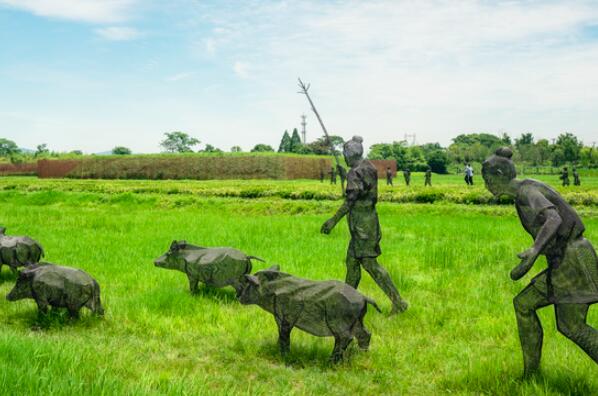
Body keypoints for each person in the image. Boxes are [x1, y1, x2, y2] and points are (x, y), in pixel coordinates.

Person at [482, 147, 598, 377]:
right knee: (524, 305)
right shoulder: (524, 191)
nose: (485, 184)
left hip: (573, 259)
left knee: (572, 326)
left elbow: (553, 219)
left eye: (487, 179)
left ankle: (531, 374)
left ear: (499, 174)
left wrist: (534, 251)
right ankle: (531, 374)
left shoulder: (527, 192)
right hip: (564, 260)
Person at [321, 136, 408, 315]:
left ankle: (398, 302)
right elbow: (363, 186)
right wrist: (346, 175)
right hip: (369, 221)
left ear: (348, 154)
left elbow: (350, 201)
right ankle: (345, 303)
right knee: (352, 263)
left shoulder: (355, 172)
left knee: (370, 265)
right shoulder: (368, 166)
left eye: (344, 153)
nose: (343, 156)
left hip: (362, 227)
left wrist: (332, 221)